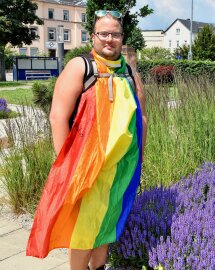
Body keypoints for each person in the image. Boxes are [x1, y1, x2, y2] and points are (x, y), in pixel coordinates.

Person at [26, 10, 147, 270]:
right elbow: (58, 117)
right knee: (84, 225)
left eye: (114, 34)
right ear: (93, 36)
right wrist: (65, 168)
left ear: (122, 37)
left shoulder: (129, 73)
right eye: (103, 34)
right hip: (85, 166)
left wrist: (139, 160)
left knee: (107, 220)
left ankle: (98, 267)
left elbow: (142, 118)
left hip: (120, 167)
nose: (109, 39)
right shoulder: (81, 67)